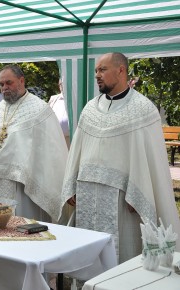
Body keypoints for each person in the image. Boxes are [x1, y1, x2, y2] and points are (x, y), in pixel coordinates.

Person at [61, 52, 180, 263]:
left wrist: (143, 193)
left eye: (103, 70)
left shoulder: (143, 109)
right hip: (87, 194)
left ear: (121, 70)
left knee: (121, 254)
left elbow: (150, 159)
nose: (97, 75)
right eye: (96, 70)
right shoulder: (90, 108)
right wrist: (71, 185)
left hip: (123, 198)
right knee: (89, 255)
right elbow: (77, 150)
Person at [0, 65, 69, 223]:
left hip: (21, 186)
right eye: (1, 84)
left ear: (22, 81)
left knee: (19, 229)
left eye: (9, 83)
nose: (5, 88)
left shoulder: (40, 110)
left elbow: (52, 150)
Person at [48, 79, 70, 148]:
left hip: (70, 139)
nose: (62, 86)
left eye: (63, 84)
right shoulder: (54, 99)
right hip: (55, 139)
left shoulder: (74, 98)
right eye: (60, 84)